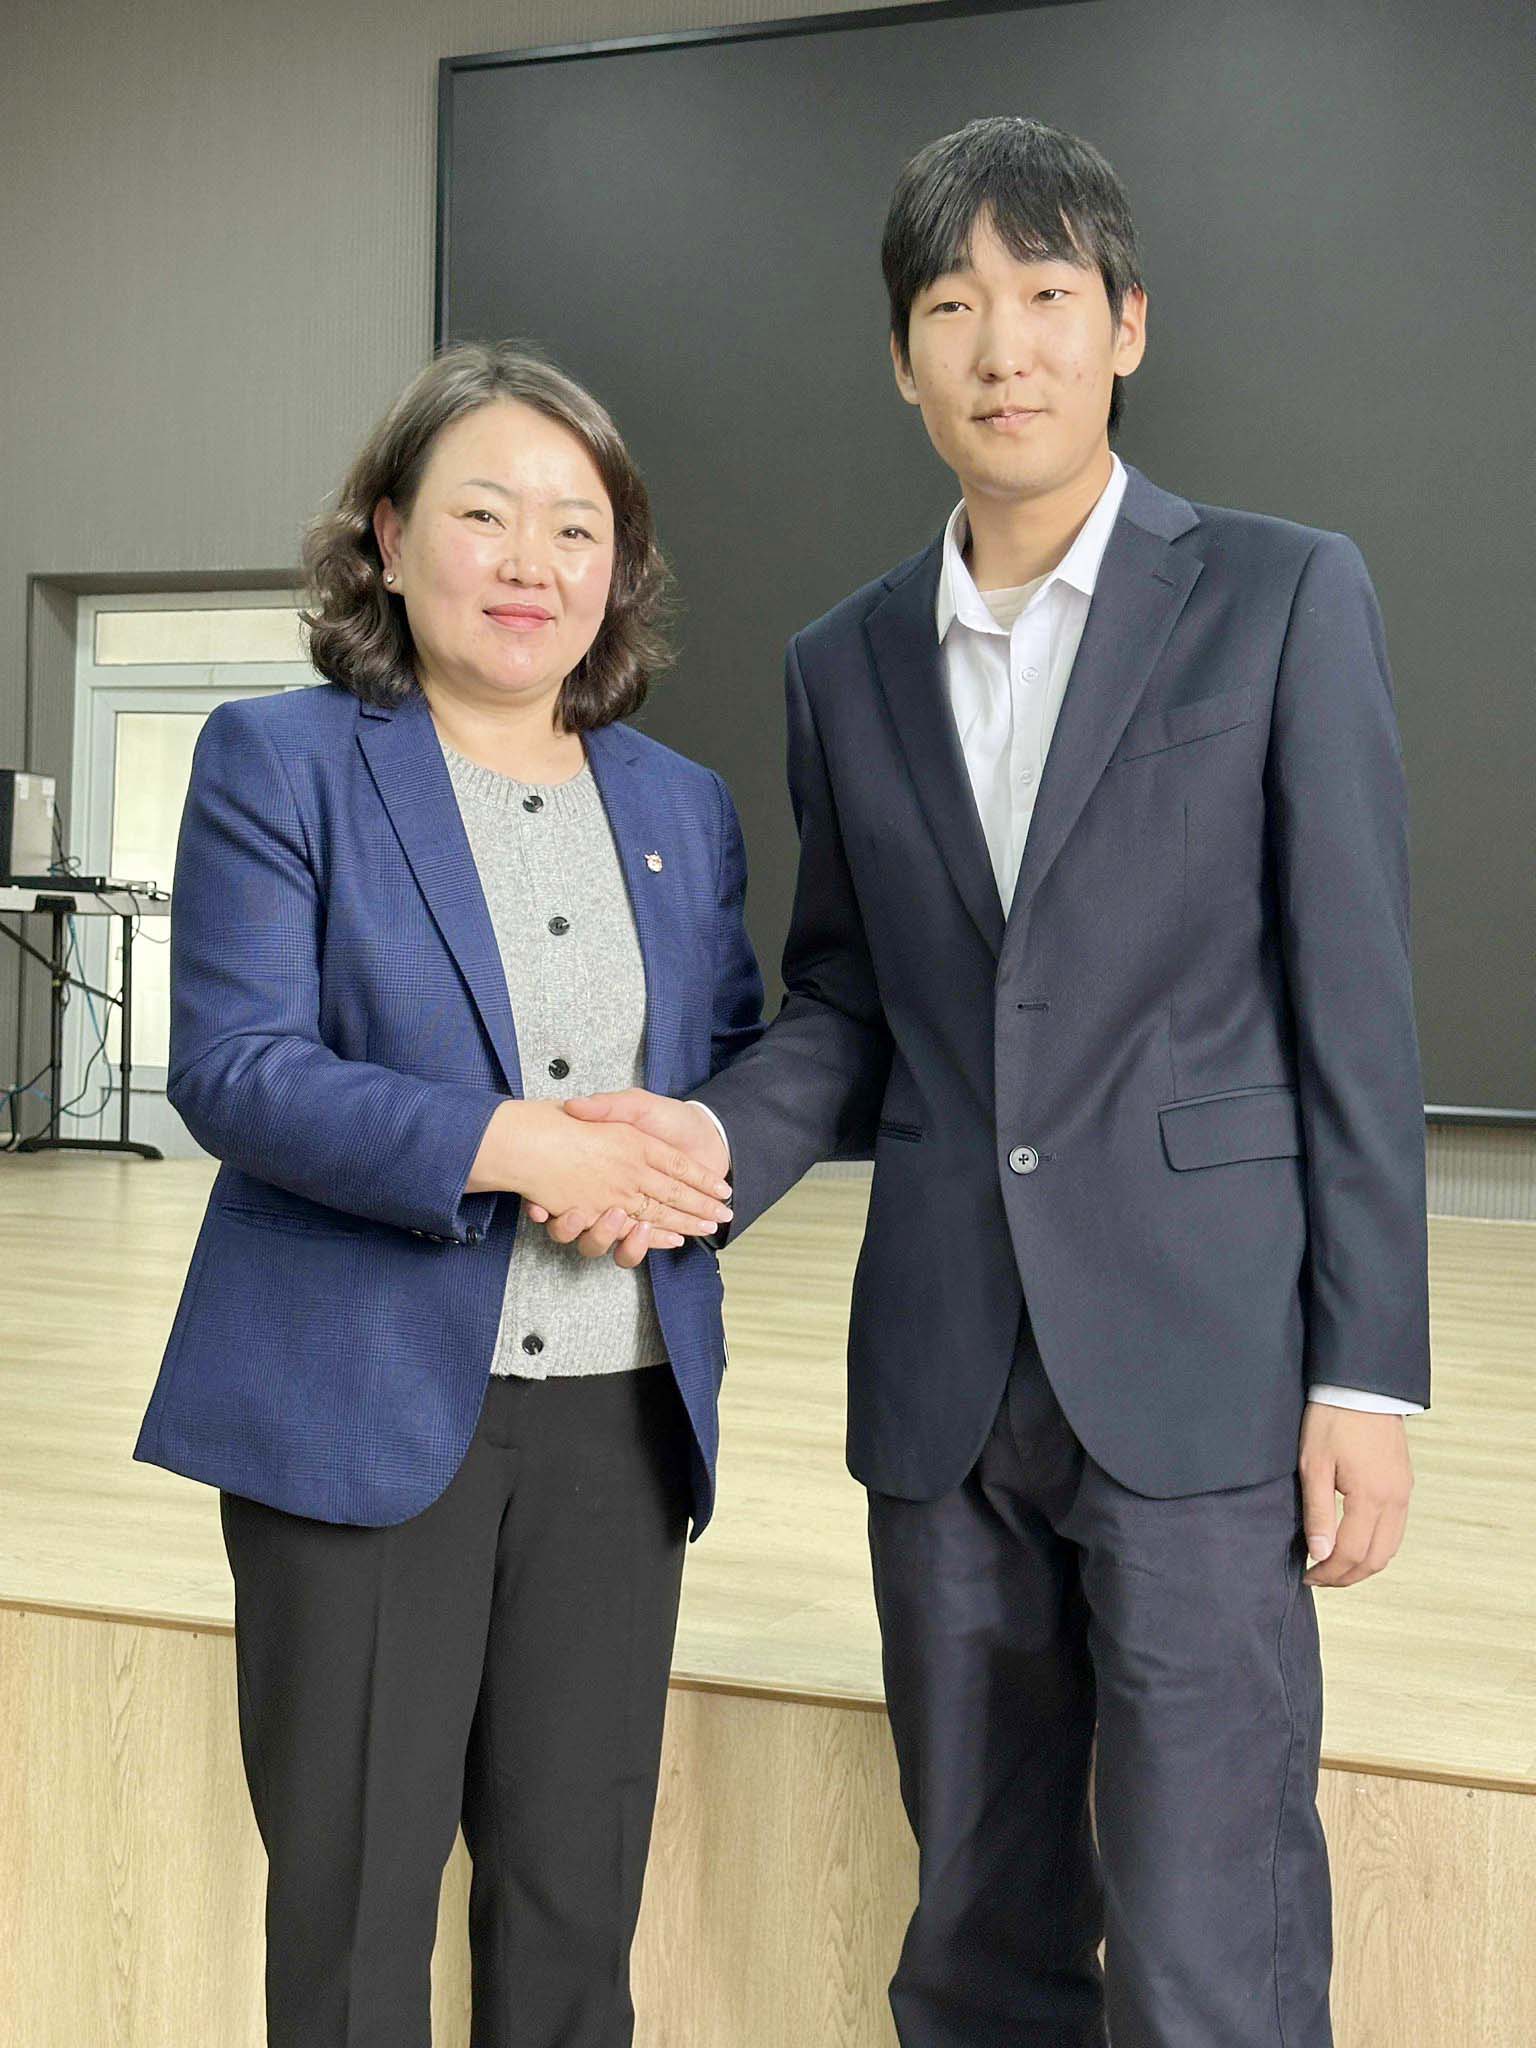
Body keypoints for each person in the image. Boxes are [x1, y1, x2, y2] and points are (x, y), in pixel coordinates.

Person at [547, 119, 1429, 2046]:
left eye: (1045, 296)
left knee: (1211, 1938)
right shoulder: (844, 661)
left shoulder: (1281, 595)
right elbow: (849, 1002)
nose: (1002, 346)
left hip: (1201, 1368)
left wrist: (1364, 1377)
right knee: (975, 1928)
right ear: (902, 358)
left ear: (1127, 325)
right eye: (953, 307)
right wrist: (704, 1139)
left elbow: (1356, 1005)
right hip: (946, 1383)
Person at [131, 341, 762, 2048]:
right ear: (392, 538)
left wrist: (694, 1152)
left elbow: (730, 1068)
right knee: (353, 1933)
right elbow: (235, 1067)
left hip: (621, 1425)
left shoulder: (681, 809)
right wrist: (517, 1146)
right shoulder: (281, 761)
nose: (530, 561)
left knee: (573, 1920)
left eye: (577, 527)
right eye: (485, 514)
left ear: (619, 569)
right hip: (362, 1419)